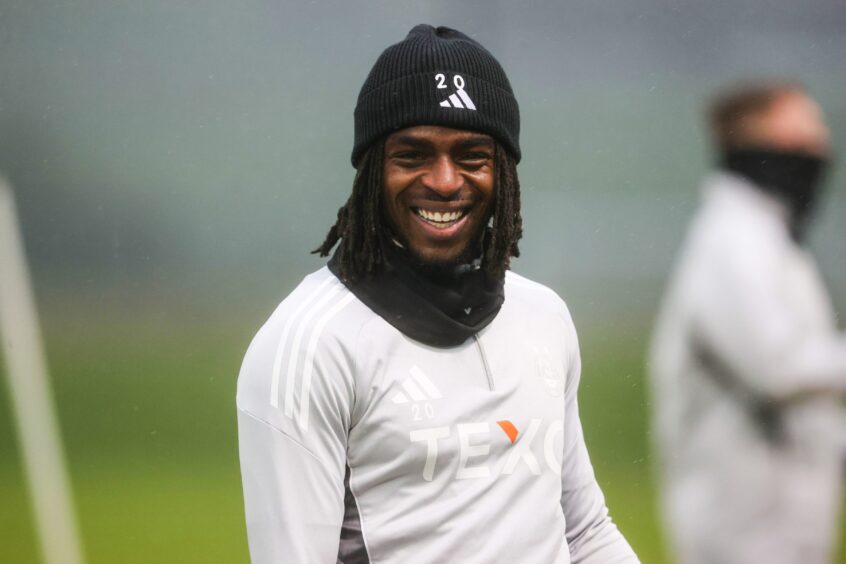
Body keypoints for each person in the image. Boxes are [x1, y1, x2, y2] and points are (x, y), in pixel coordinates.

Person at [236, 24, 638, 564]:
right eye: (413, 154)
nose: (445, 181)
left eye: (473, 155)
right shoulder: (308, 345)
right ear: (373, 170)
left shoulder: (544, 316)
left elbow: (585, 533)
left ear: (505, 172)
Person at [650, 81, 846, 564]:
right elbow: (777, 367)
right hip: (742, 525)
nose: (821, 150)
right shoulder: (732, 242)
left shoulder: (769, 239)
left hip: (780, 518)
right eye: (802, 140)